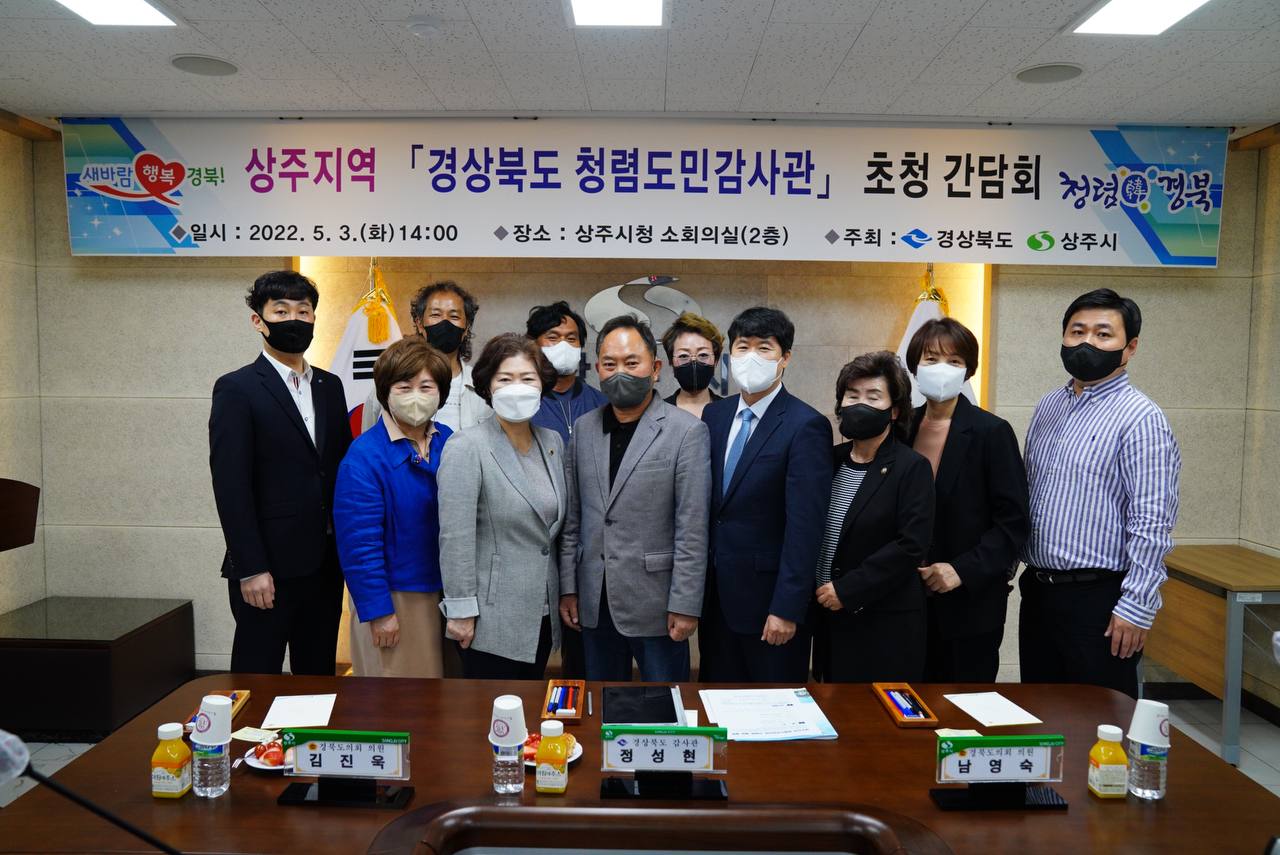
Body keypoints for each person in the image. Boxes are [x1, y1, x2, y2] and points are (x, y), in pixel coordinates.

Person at [1020, 288, 1180, 699]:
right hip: (1038, 592)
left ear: (1130, 347)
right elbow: (1029, 495)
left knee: (1100, 719)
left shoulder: (1141, 418)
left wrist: (1136, 607)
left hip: (1101, 601)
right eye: (1077, 331)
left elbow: (1152, 522)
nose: (1087, 342)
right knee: (1039, 714)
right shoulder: (1048, 406)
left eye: (1103, 334)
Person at [209, 270, 352, 675]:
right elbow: (231, 486)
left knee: (317, 675)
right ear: (259, 320)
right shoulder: (237, 388)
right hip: (266, 567)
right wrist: (251, 566)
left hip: (324, 564)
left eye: (303, 311)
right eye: (281, 310)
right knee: (257, 675)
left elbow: (338, 470)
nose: (294, 319)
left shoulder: (330, 386)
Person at [559, 316, 711, 682]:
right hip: (594, 599)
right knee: (601, 702)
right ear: (597, 370)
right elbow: (573, 520)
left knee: (665, 705)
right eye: (609, 364)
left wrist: (686, 604)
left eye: (631, 363)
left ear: (655, 369)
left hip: (657, 604)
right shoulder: (584, 429)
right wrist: (568, 588)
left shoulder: (687, 431)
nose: (620, 373)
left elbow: (692, 529)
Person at [699, 307, 832, 683]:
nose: (751, 357)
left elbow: (806, 528)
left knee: (774, 708)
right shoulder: (715, 416)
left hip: (770, 607)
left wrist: (787, 608)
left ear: (785, 357)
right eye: (743, 347)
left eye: (764, 348)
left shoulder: (806, 425)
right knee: (715, 701)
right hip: (716, 602)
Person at [905, 319, 1030, 683]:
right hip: (905, 603)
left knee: (962, 707)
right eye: (931, 359)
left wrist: (961, 570)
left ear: (968, 370)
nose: (941, 369)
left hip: (967, 606)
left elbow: (1013, 523)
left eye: (954, 361)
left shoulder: (992, 432)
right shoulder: (900, 428)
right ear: (914, 365)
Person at [437, 334, 566, 680]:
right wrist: (460, 610)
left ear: (542, 385)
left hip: (542, 611)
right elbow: (455, 537)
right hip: (490, 615)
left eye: (527, 378)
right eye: (505, 379)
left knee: (530, 704)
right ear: (488, 386)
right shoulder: (467, 446)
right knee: (491, 709)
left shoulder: (552, 442)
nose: (517, 388)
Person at [810, 352, 934, 682]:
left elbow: (911, 545)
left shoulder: (911, 467)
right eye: (852, 396)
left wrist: (848, 590)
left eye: (873, 396)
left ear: (894, 410)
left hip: (882, 623)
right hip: (827, 617)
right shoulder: (829, 459)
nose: (860, 404)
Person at [333, 338, 453, 678]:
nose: (416, 396)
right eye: (404, 386)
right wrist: (379, 611)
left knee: (449, 695)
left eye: (426, 387)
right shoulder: (364, 456)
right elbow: (359, 544)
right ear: (385, 391)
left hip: (448, 591)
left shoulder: (449, 440)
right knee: (404, 698)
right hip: (397, 597)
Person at [526, 299, 606, 679]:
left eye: (572, 338)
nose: (563, 345)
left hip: (588, 544)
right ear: (533, 345)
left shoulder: (602, 403)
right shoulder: (523, 405)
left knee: (585, 654)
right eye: (552, 337)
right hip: (538, 541)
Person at [362, 280, 489, 434]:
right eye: (436, 314)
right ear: (420, 323)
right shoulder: (391, 381)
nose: (445, 322)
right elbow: (369, 436)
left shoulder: (483, 386)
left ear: (466, 328)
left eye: (454, 316)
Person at [661, 311, 723, 419]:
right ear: (671, 362)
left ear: (716, 360)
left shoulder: (729, 411)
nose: (693, 361)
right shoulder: (658, 412)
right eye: (683, 356)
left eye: (703, 355)